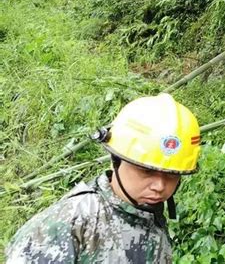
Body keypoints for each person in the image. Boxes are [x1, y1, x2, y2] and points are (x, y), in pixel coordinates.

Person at [6, 93, 201, 263]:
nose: (160, 186)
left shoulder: (147, 215)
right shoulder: (66, 224)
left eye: (172, 174)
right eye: (147, 171)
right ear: (116, 160)